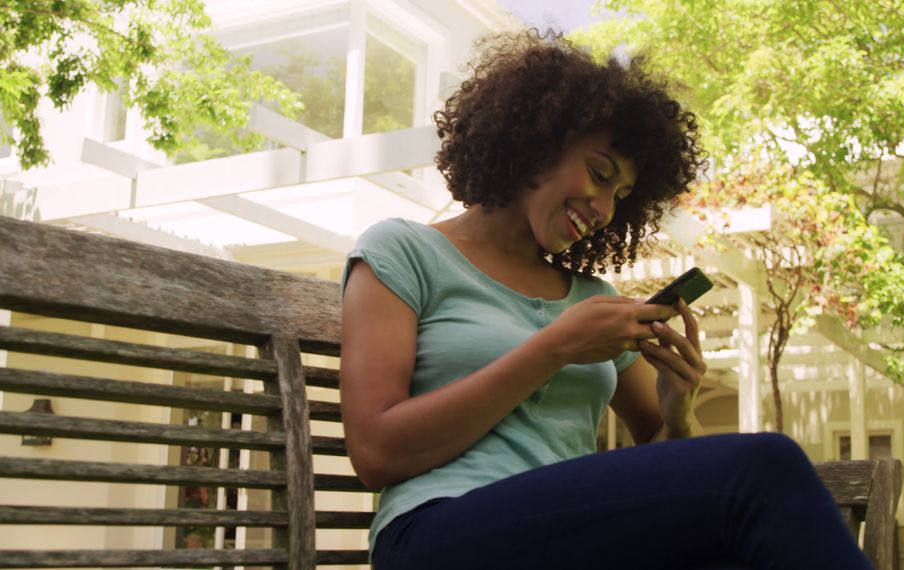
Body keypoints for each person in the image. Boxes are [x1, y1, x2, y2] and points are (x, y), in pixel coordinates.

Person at [339, 29, 873, 570]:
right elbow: (377, 453)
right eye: (598, 174)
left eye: (620, 195)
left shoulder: (591, 299)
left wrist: (678, 412)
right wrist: (555, 347)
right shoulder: (405, 251)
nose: (604, 208)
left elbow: (659, 443)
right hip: (439, 531)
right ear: (534, 140)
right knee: (765, 464)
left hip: (568, 536)